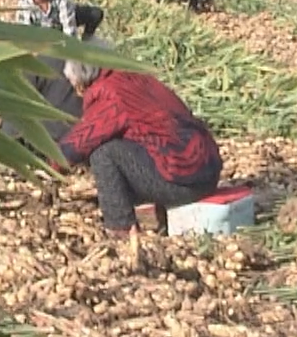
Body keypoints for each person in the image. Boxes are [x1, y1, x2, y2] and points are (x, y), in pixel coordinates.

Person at [55, 48, 222, 236]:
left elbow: (77, 145)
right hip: (207, 171)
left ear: (82, 82)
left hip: (186, 182)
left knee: (104, 154)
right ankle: (150, 214)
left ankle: (121, 228)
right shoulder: (136, 78)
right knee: (137, 145)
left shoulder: (111, 95)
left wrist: (46, 162)